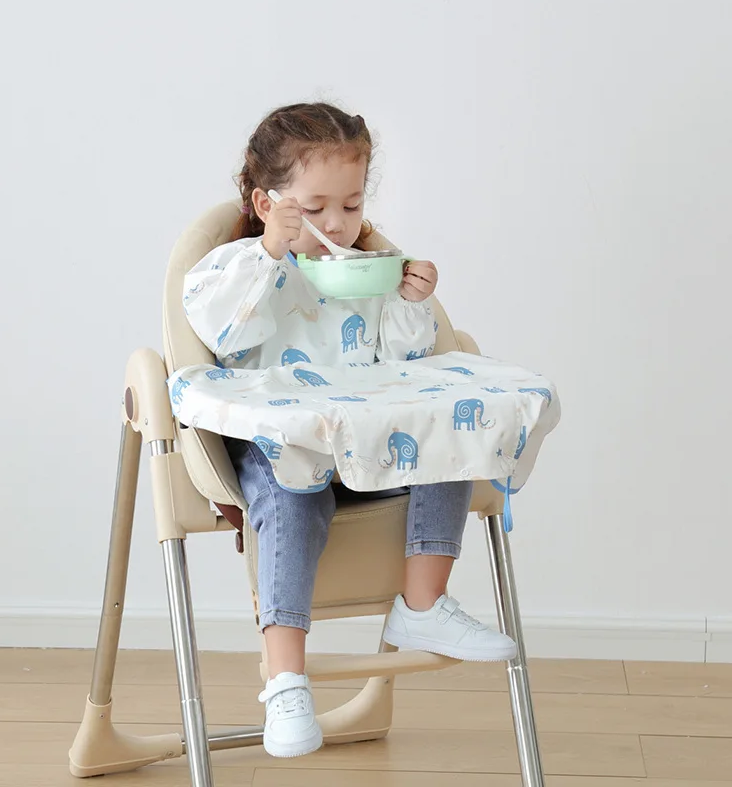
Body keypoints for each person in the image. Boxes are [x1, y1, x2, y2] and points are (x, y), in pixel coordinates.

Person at [183, 102, 516, 758]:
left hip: (366, 452)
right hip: (281, 450)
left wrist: (408, 300)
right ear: (265, 201)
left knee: (443, 432)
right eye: (313, 208)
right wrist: (274, 253)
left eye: (351, 205)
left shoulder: (364, 271)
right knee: (289, 494)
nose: (337, 224)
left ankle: (423, 606)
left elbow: (408, 364)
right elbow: (225, 332)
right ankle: (284, 679)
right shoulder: (229, 269)